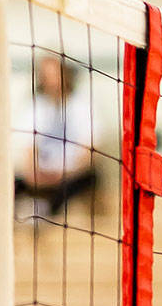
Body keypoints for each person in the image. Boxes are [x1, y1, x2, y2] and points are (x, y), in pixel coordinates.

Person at [13, 54, 98, 221]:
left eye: (55, 74)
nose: (52, 80)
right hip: (42, 172)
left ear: (65, 74)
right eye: (47, 74)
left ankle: (49, 213)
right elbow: (29, 148)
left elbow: (89, 152)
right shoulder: (35, 106)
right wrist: (34, 172)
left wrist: (66, 173)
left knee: (88, 179)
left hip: (73, 174)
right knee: (12, 185)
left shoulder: (82, 106)